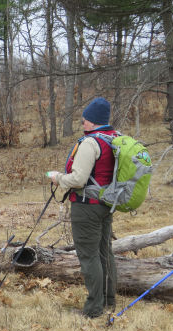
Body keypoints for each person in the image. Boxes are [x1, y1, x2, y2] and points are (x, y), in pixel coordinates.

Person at [46, 97, 117, 318]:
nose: (82, 123)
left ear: (94, 121)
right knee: (105, 252)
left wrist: (57, 177)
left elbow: (78, 179)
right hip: (106, 203)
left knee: (89, 256)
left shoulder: (90, 143)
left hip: (87, 206)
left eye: (85, 119)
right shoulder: (113, 138)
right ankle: (109, 300)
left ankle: (94, 308)